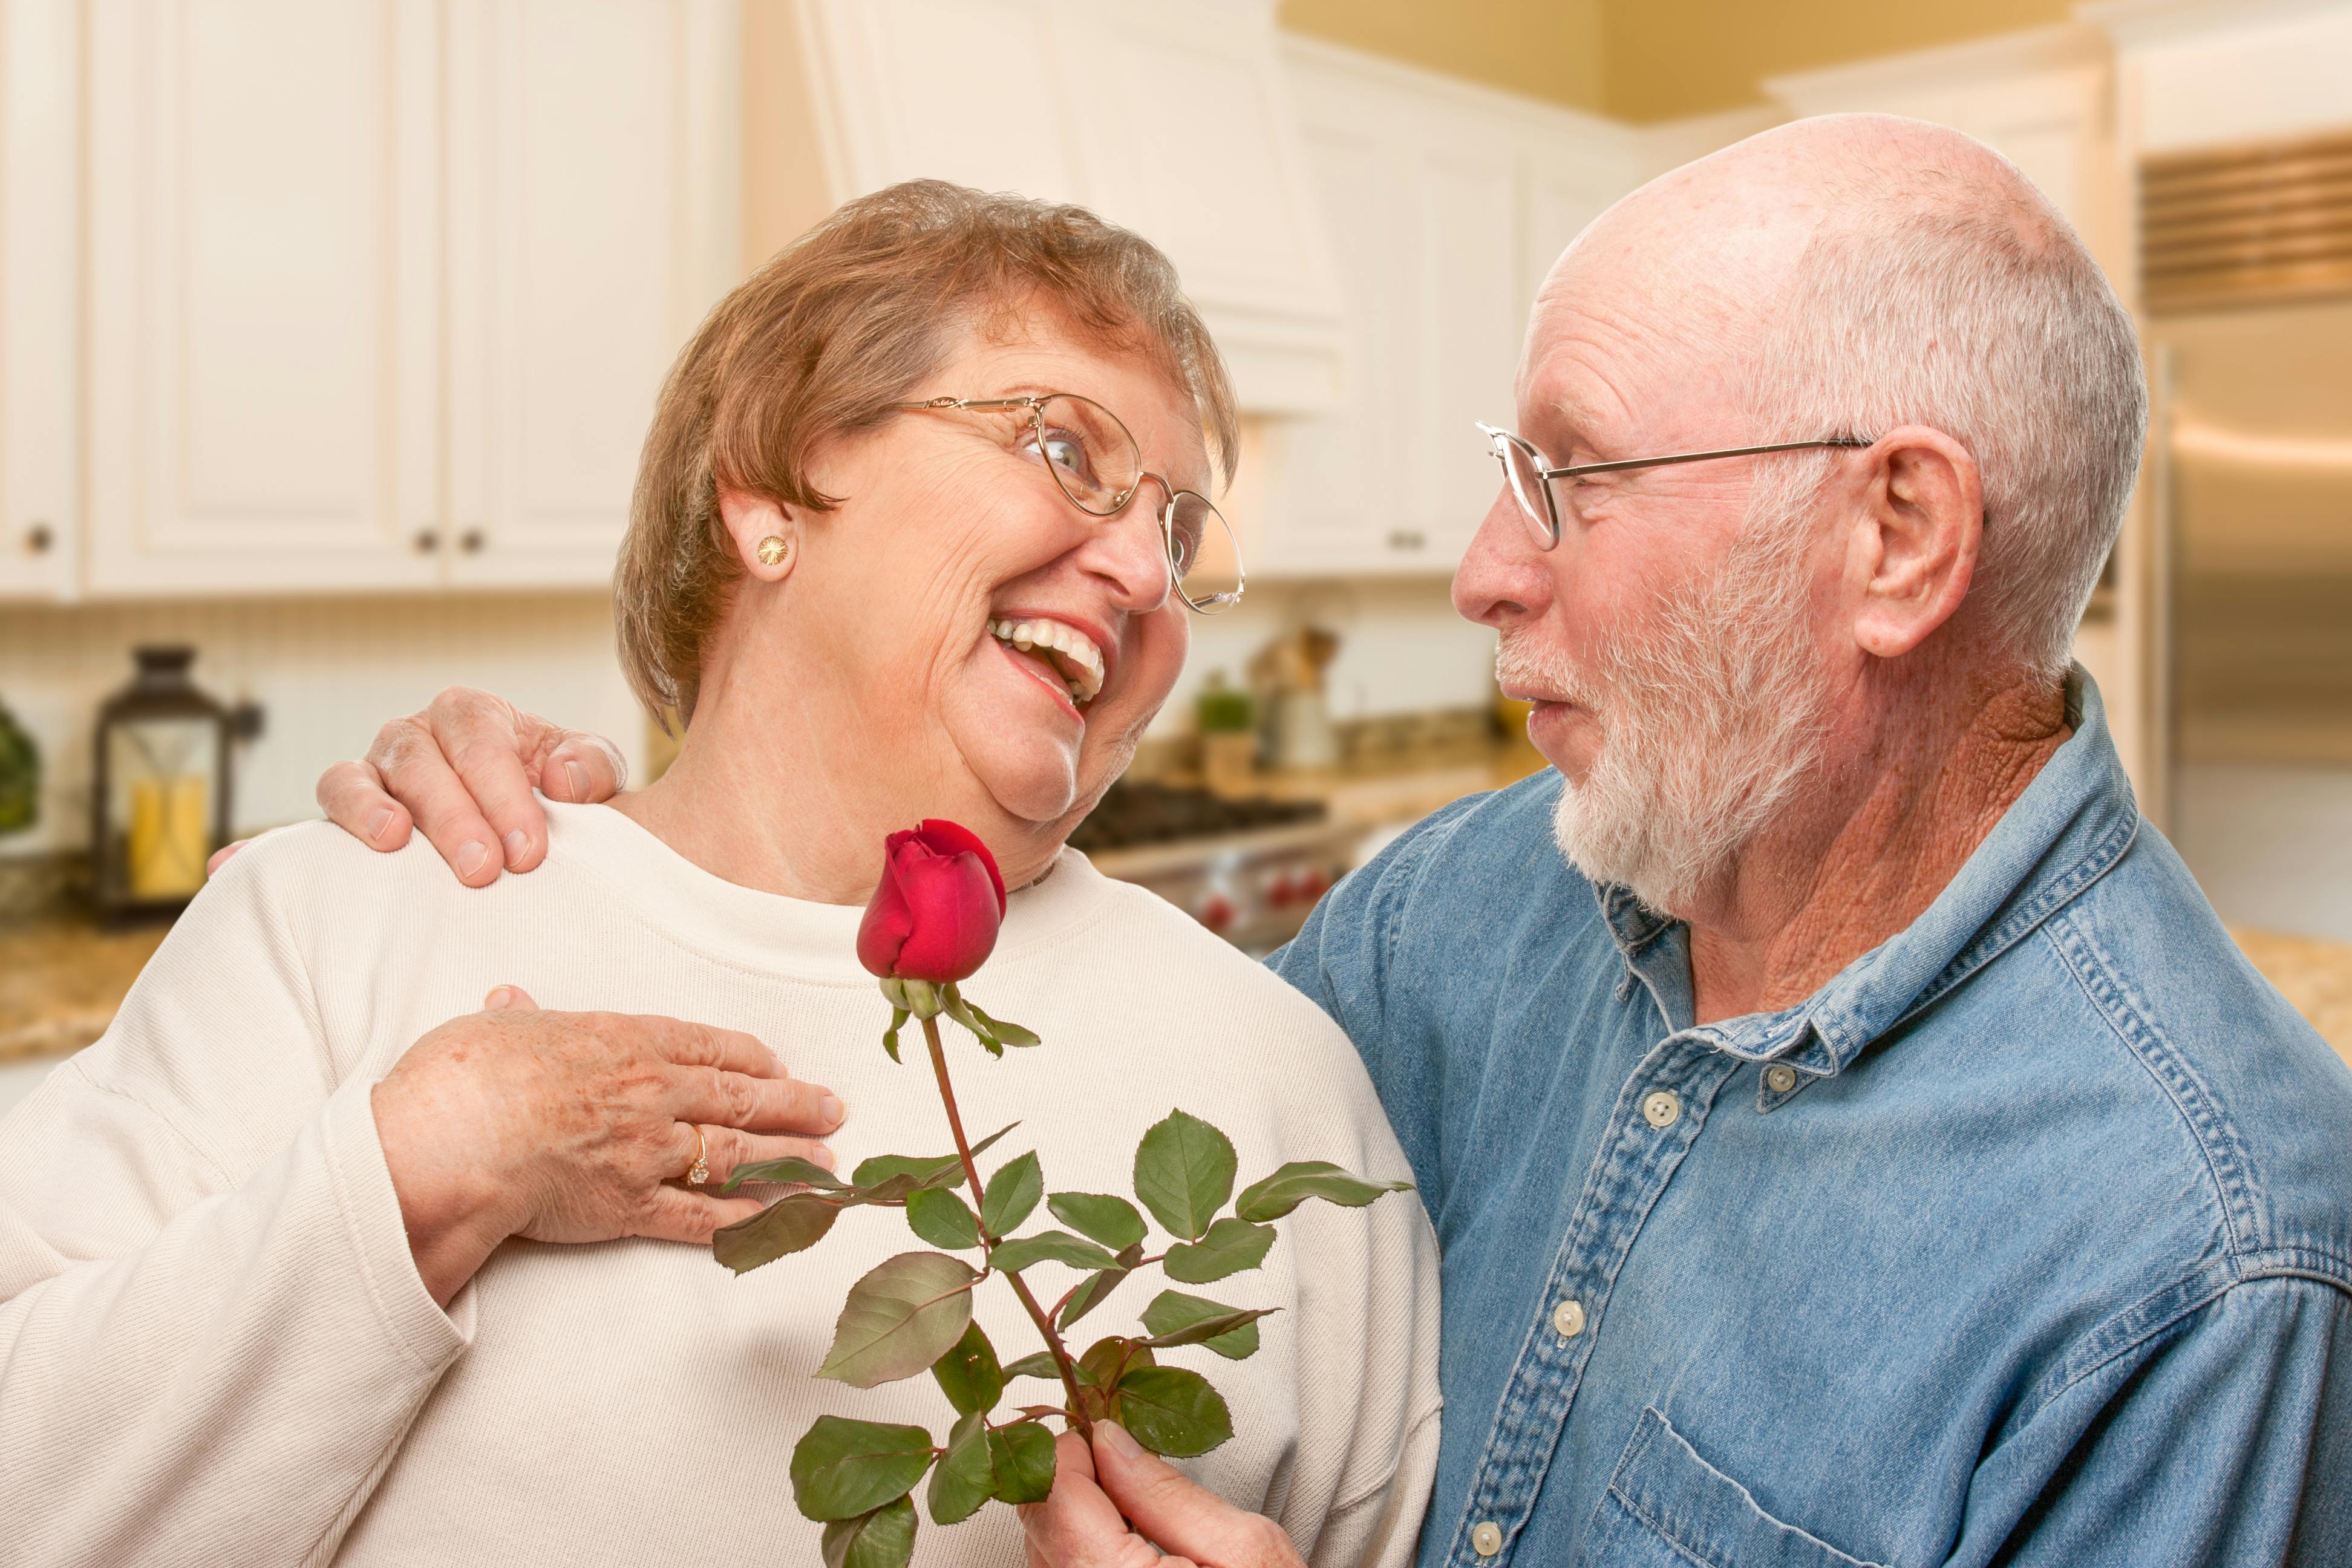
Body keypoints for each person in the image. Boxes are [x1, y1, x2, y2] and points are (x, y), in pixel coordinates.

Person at [338, 116, 2352, 1566]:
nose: (1480, 572)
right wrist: (633, 838)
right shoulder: (1463, 913)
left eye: (1566, 478)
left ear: (1891, 540)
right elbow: (1090, 1141)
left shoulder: (2205, 1270)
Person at [0, 182, 1441, 1568]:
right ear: (779, 488)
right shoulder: (341, 921)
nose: (1141, 571)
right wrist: (430, 1164)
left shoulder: (1279, 1085)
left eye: (1180, 533)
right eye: (1067, 451)